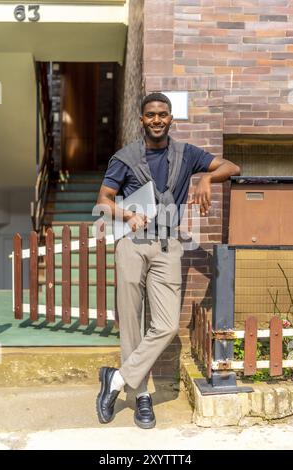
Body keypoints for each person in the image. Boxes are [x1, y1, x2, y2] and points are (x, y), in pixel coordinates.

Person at [96, 92, 240, 429]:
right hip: (132, 243)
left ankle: (115, 381)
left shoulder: (187, 154)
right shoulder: (125, 157)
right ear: (142, 119)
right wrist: (126, 214)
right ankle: (142, 396)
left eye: (163, 114)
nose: (157, 120)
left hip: (167, 244)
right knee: (132, 322)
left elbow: (233, 166)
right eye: (151, 115)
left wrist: (207, 177)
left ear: (171, 118)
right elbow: (103, 201)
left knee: (165, 324)